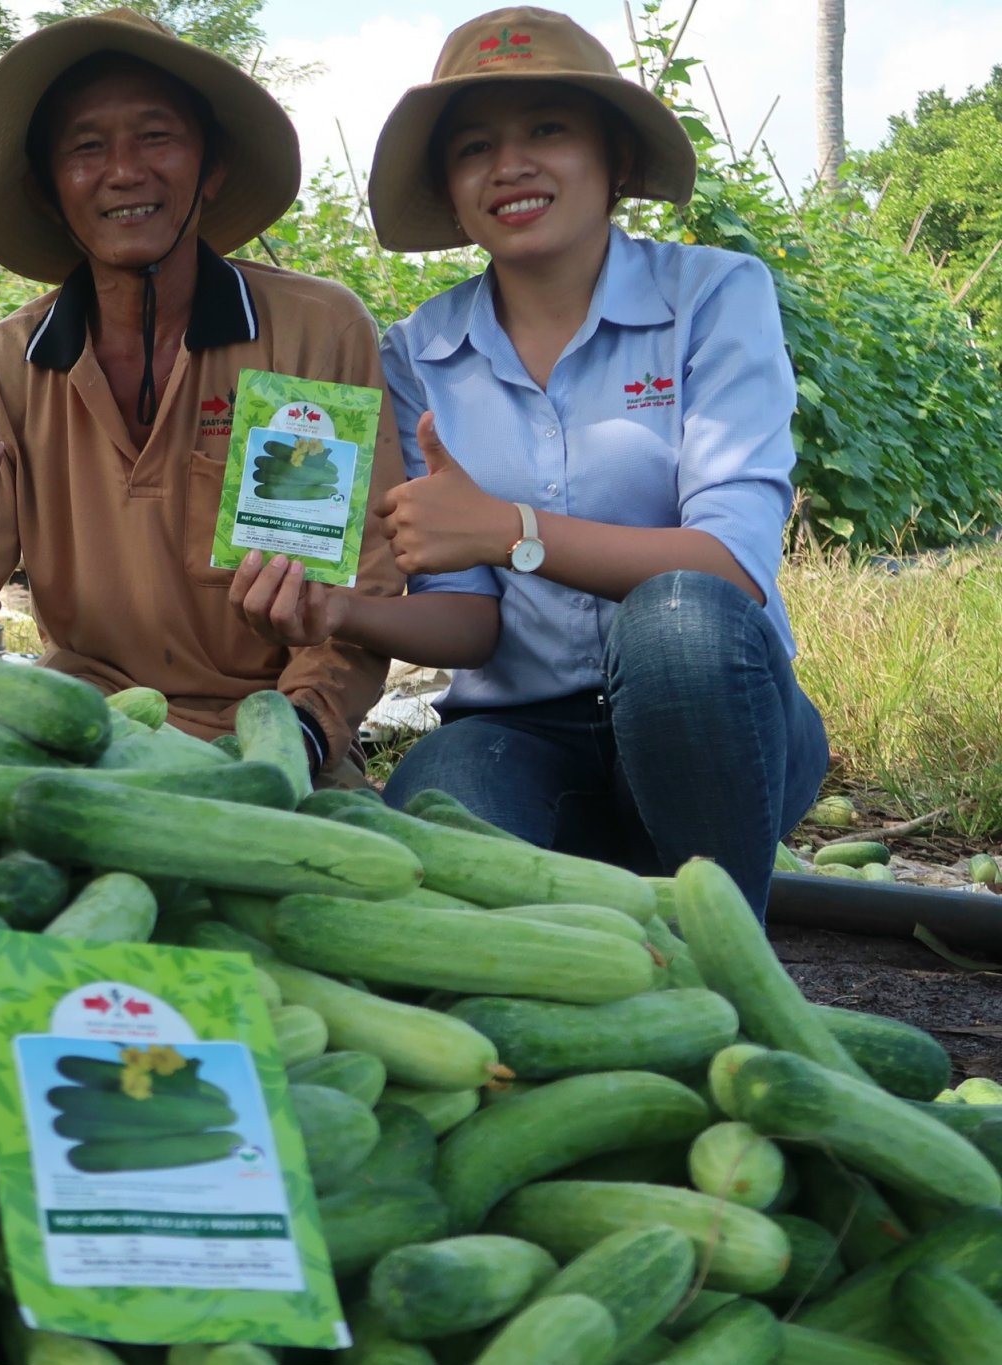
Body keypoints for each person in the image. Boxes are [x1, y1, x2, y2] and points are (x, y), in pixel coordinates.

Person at [231, 6, 827, 916]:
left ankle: (721, 943)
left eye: (547, 130)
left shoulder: (713, 297)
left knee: (677, 619)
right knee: (443, 809)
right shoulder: (417, 358)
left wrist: (513, 531)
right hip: (521, 732)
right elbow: (468, 623)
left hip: (716, 719)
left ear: (615, 160)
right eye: (474, 146)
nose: (509, 165)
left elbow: (731, 568)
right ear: (451, 187)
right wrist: (339, 611)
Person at [0, 7, 408, 781]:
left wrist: (289, 745)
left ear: (212, 168)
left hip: (272, 734)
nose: (124, 171)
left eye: (156, 136)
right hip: (82, 733)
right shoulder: (4, 365)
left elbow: (350, 599)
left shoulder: (313, 333)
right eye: (86, 146)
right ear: (48, 191)